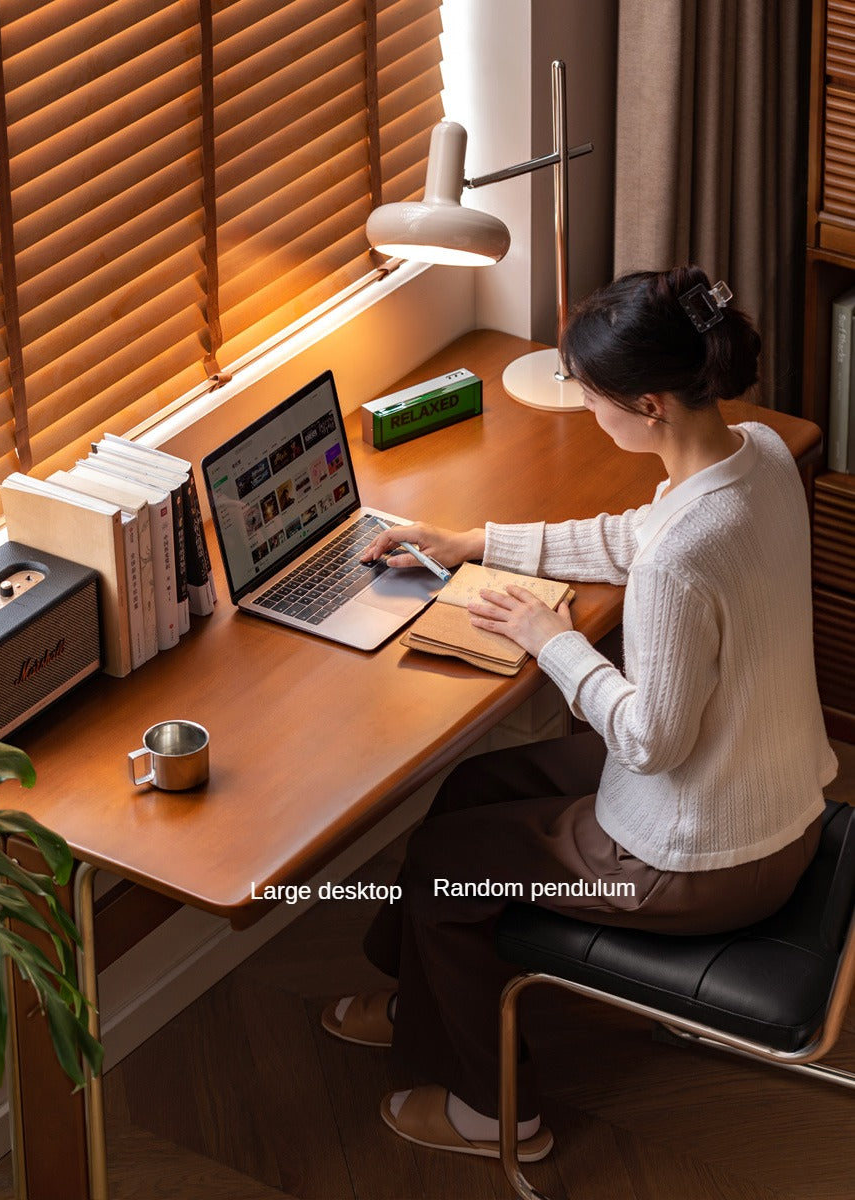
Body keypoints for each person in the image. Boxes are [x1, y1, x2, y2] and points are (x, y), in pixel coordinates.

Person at [320, 266, 838, 1163]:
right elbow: (631, 534)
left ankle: (498, 1116)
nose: (584, 409)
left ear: (646, 405)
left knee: (445, 870)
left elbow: (648, 737)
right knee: (480, 783)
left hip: (703, 860)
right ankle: (426, 998)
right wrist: (472, 542)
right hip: (762, 799)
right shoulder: (753, 455)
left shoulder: (687, 558)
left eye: (590, 396)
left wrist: (548, 639)